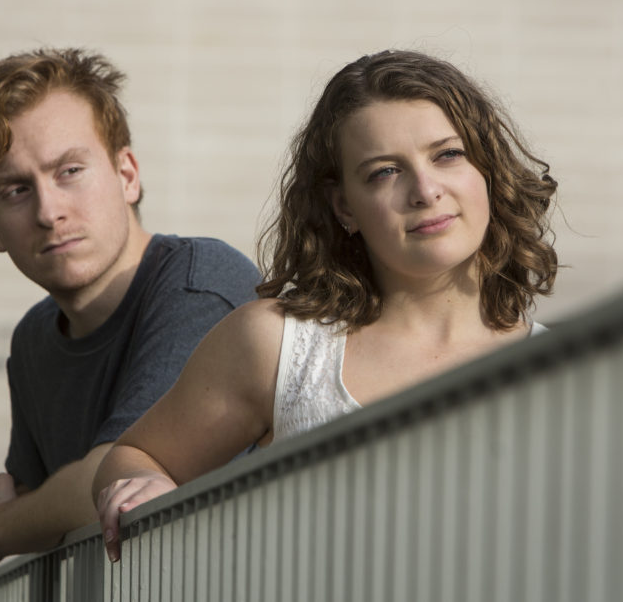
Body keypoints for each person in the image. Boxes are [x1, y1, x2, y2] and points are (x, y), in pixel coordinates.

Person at [92, 49, 559, 562]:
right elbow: (135, 458)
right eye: (384, 172)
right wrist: (145, 490)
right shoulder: (278, 345)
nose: (425, 190)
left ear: (486, 170)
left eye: (448, 154)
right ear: (344, 207)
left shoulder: (565, 369)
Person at [0, 48, 260, 571]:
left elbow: (110, 478)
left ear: (127, 175)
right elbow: (41, 507)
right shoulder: (34, 339)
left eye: (69, 170)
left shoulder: (200, 284)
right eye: (15, 190)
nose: (49, 212)